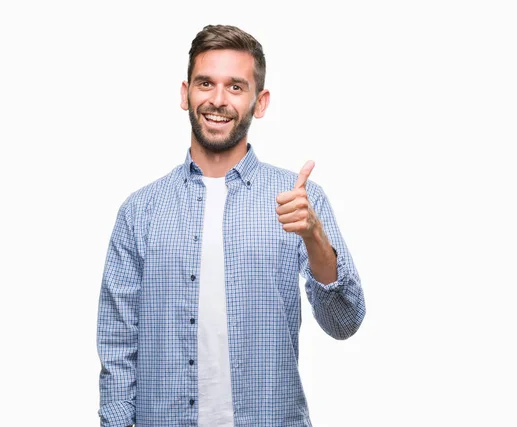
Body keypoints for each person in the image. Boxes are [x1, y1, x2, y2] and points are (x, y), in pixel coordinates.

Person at [97, 24, 366, 427]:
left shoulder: (299, 201)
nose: (218, 100)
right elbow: (117, 343)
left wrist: (313, 236)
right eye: (206, 83)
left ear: (260, 102)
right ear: (185, 93)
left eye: (236, 87)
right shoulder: (140, 211)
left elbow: (344, 323)